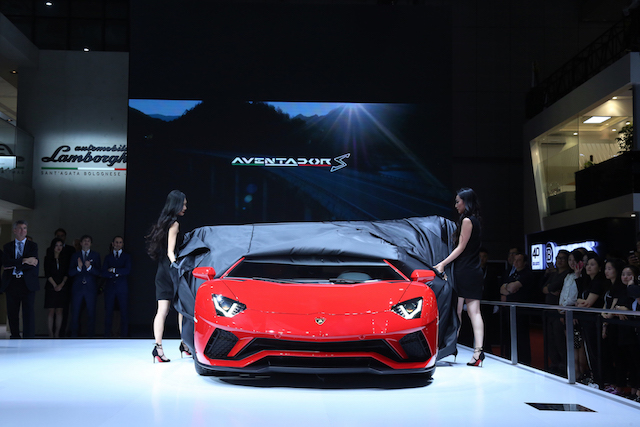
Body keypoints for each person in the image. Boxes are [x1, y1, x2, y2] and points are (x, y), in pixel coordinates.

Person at [434, 188, 485, 367]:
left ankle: (449, 348)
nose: (456, 205)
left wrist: (442, 264)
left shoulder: (467, 221)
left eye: (458, 201)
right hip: (473, 270)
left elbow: (460, 248)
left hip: (464, 271)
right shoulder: (475, 221)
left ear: (465, 202)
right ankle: (477, 352)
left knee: (459, 312)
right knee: (473, 312)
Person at [146, 190, 188, 363]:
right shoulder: (174, 224)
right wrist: (177, 268)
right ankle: (185, 344)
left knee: (161, 311)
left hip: (161, 271)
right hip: (171, 270)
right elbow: (171, 252)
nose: (185, 207)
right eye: (183, 204)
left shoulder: (161, 223)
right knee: (181, 309)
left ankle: (158, 348)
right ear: (176, 204)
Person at [1, 220, 39, 338]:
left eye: (25, 228)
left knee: (28, 312)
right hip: (12, 282)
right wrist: (24, 260)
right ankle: (15, 336)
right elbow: (6, 263)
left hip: (27, 282)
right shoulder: (7, 246)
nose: (23, 231)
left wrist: (15, 263)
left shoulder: (32, 246)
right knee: (12, 312)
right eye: (20, 228)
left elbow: (32, 265)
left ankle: (29, 338)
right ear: (15, 230)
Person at [500, 252, 534, 364]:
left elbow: (511, 287)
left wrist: (508, 288)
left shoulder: (527, 274)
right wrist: (508, 288)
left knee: (521, 336)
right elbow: (502, 289)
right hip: (510, 310)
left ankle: (524, 360)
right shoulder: (512, 274)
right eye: (515, 260)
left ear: (524, 262)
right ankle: (510, 357)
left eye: (519, 260)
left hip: (521, 310)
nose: (516, 262)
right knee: (510, 334)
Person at [541, 250, 570, 374]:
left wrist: (549, 289)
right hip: (549, 311)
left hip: (560, 312)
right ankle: (554, 363)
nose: (560, 260)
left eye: (563, 258)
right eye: (558, 258)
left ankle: (563, 365)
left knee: (560, 339)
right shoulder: (553, 274)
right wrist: (549, 289)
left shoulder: (568, 274)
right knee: (550, 339)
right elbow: (543, 288)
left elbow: (553, 287)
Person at [68, 235, 101, 337]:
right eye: (84, 241)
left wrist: (90, 267)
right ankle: (74, 336)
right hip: (77, 288)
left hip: (90, 289)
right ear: (81, 243)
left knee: (91, 314)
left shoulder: (95, 255)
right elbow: (70, 272)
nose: (86, 242)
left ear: (91, 244)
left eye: (88, 241)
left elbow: (99, 272)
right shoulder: (75, 255)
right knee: (75, 313)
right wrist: (78, 268)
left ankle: (90, 337)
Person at [102, 236, 131, 337]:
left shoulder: (126, 256)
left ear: (122, 244)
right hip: (110, 288)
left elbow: (127, 270)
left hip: (122, 288)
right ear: (113, 244)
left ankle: (124, 336)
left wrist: (114, 270)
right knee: (108, 312)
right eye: (116, 242)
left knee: (124, 312)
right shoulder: (108, 257)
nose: (118, 244)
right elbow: (104, 272)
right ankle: (107, 336)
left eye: (120, 242)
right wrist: (117, 273)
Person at [44, 238, 70, 338]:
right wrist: (55, 285)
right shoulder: (48, 258)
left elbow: (67, 273)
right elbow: (47, 273)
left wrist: (61, 284)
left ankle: (57, 334)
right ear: (53, 246)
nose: (59, 247)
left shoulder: (65, 258)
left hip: (63, 287)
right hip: (51, 286)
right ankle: (50, 334)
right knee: (51, 311)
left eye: (60, 245)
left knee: (60, 311)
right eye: (56, 245)